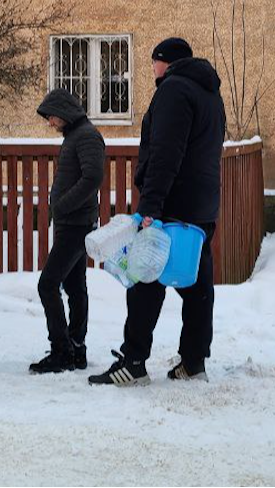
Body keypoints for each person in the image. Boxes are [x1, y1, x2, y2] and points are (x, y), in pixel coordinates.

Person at [90, 38, 226, 386]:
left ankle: (133, 361)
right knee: (196, 283)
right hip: (201, 205)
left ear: (166, 62)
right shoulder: (210, 94)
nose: (152, 69)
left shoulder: (174, 91)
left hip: (171, 205)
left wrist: (151, 205)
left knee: (144, 277)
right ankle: (194, 361)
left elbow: (166, 153)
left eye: (154, 62)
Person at [29, 89, 105, 374]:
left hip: (76, 223)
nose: (49, 122)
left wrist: (62, 205)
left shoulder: (85, 136)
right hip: (73, 222)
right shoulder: (76, 135)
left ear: (64, 112)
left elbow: (93, 177)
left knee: (47, 285)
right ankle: (76, 349)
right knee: (74, 287)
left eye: (50, 116)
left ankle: (62, 350)